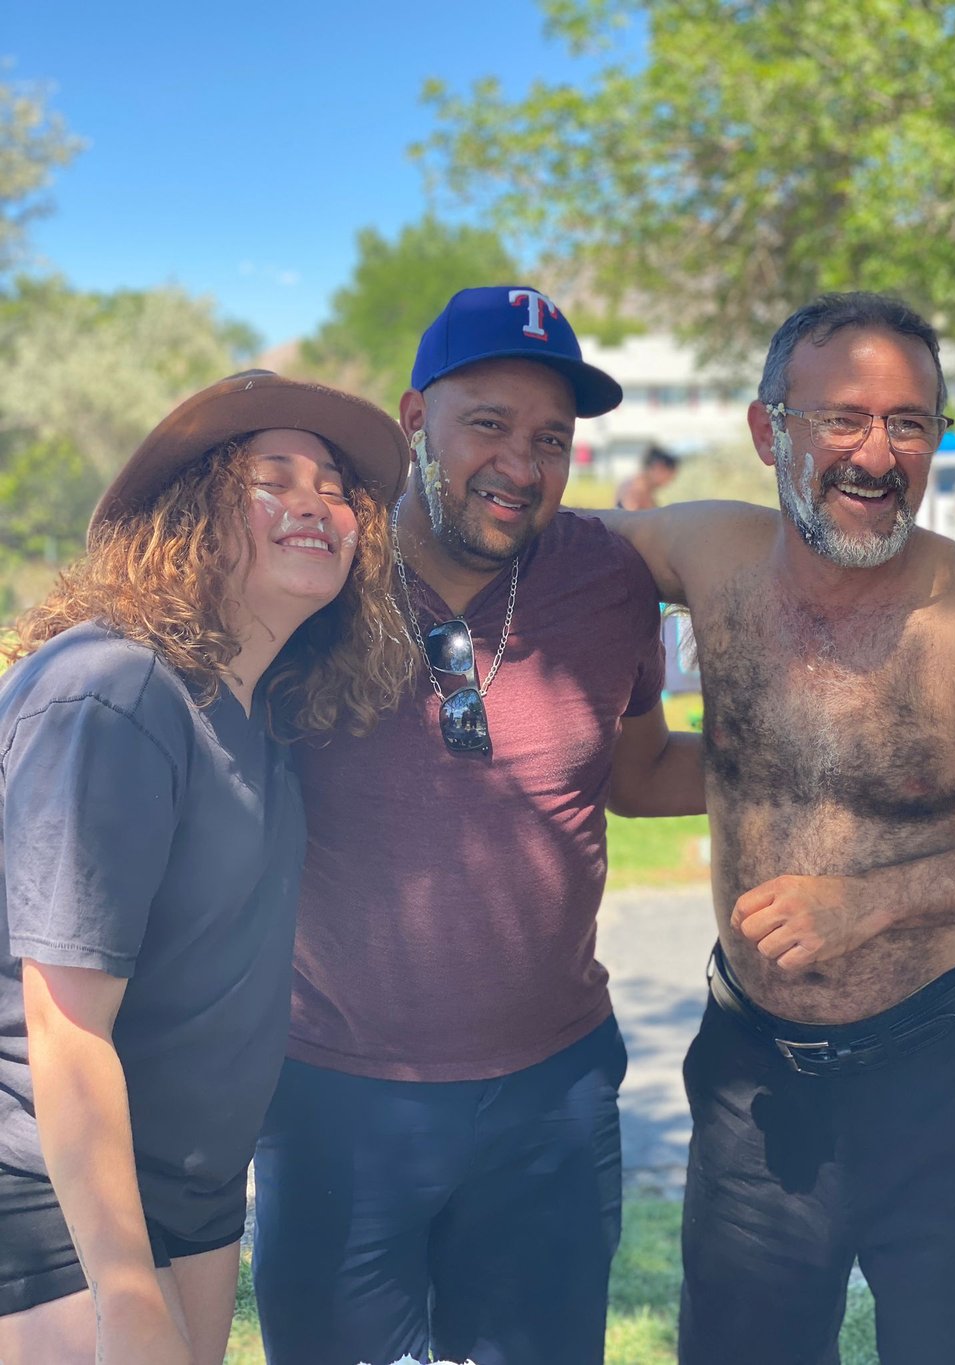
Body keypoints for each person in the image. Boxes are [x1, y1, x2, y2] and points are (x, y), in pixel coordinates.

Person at [252, 285, 706, 1365]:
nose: (522, 463)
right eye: (488, 426)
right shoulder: (317, 581)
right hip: (334, 1097)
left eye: (552, 437)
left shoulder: (607, 583)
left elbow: (636, 776)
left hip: (551, 1097)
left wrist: (837, 771)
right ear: (415, 422)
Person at [599, 292, 955, 1365]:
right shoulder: (706, 554)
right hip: (753, 1086)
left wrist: (872, 900)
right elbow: (536, 550)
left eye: (909, 423)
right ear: (766, 429)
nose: (875, 454)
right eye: (841, 418)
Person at [0, 370, 414, 1365]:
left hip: (193, 1193)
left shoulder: (258, 711)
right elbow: (63, 1026)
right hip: (53, 1197)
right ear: (193, 515)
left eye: (334, 486)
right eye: (273, 478)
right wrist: (128, 1294)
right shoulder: (114, 689)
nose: (317, 500)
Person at [615, 443, 680, 510]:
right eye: (670, 477)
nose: (669, 482)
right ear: (659, 467)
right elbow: (632, 517)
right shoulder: (638, 489)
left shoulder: (634, 483)